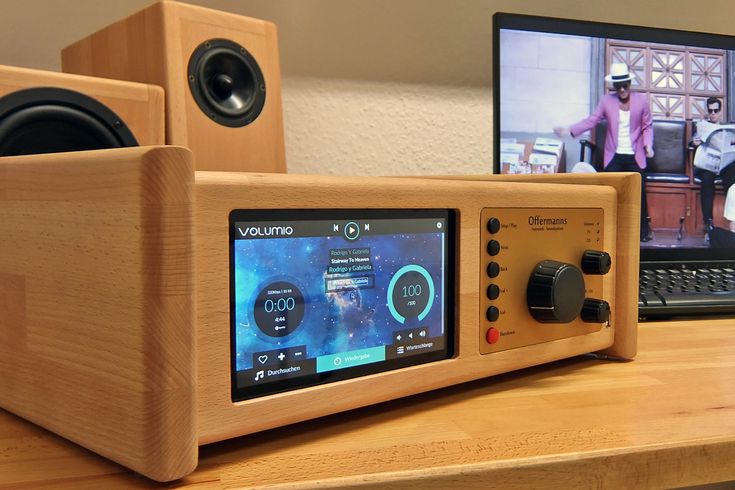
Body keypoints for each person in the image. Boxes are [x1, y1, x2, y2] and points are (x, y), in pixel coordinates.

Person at [555, 63, 654, 241]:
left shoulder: (641, 101)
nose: (622, 89)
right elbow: (592, 120)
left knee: (639, 194)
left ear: (630, 83)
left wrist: (648, 145)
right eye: (618, 85)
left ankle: (641, 233)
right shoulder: (607, 101)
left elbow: (647, 126)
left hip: (635, 156)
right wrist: (570, 129)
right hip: (613, 155)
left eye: (625, 85)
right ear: (614, 86)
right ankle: (610, 230)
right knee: (610, 193)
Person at [692, 96, 735, 234]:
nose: (713, 114)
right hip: (708, 165)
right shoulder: (702, 126)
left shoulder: (727, 127)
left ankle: (732, 222)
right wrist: (694, 142)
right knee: (707, 181)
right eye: (710, 111)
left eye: (716, 111)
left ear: (720, 112)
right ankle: (708, 222)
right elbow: (691, 142)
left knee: (732, 184)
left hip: (725, 164)